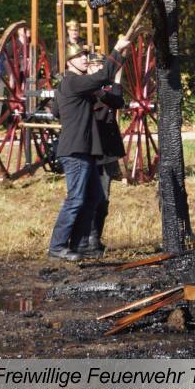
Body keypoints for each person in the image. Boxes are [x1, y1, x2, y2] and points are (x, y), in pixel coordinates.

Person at [48, 36, 131, 261]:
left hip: (84, 150)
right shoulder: (73, 81)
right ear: (69, 62)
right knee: (75, 199)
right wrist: (116, 49)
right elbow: (102, 77)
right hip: (75, 150)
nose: (84, 58)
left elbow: (57, 111)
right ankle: (57, 247)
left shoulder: (75, 85)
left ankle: (80, 244)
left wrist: (119, 59)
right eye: (79, 56)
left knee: (93, 196)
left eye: (85, 54)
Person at [77, 54, 126, 258]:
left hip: (106, 150)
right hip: (89, 148)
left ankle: (95, 238)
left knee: (103, 198)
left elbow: (117, 101)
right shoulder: (82, 86)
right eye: (93, 66)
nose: (97, 69)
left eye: (100, 65)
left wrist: (107, 84)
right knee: (85, 197)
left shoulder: (109, 87)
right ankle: (84, 238)